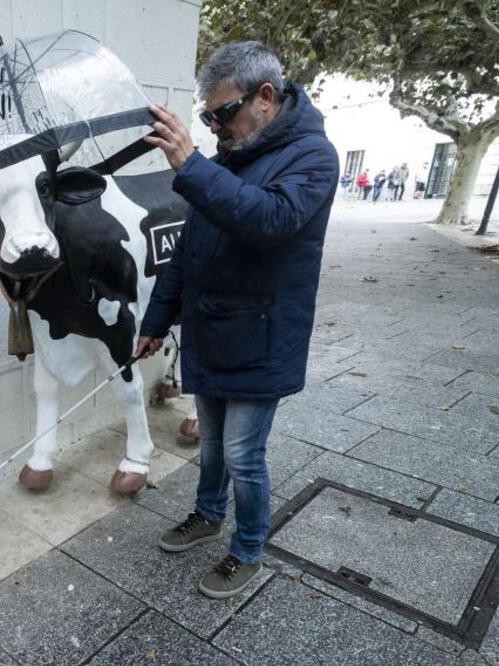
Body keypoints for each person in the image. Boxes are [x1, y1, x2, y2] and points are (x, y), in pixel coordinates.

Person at [137, 41, 338, 599]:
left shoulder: (314, 157)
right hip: (212, 330)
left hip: (262, 336)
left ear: (266, 97)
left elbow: (270, 220)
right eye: (207, 116)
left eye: (222, 114)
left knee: (244, 456)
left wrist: (190, 165)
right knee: (213, 446)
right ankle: (206, 514)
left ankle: (248, 548)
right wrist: (156, 320)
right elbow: (189, 251)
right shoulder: (228, 161)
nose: (215, 127)